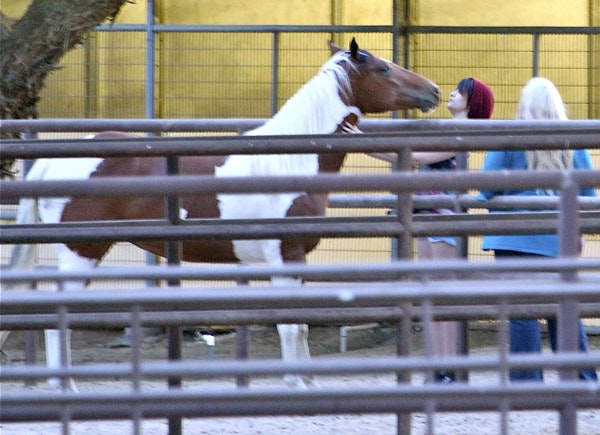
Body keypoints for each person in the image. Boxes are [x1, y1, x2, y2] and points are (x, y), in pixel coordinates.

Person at [344, 78, 495, 383]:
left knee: (442, 296)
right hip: (427, 216)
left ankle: (450, 368)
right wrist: (366, 145)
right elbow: (411, 156)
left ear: (472, 101)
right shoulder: (446, 129)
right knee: (430, 295)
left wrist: (365, 145)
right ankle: (439, 366)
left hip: (443, 217)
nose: (452, 93)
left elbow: (414, 158)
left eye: (460, 91)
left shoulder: (461, 133)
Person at [479, 76, 597, 382]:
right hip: (557, 240)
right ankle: (581, 380)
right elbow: (587, 197)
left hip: (512, 238)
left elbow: (486, 188)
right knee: (564, 312)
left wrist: (510, 196)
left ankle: (527, 384)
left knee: (522, 314)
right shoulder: (573, 141)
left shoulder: (509, 136)